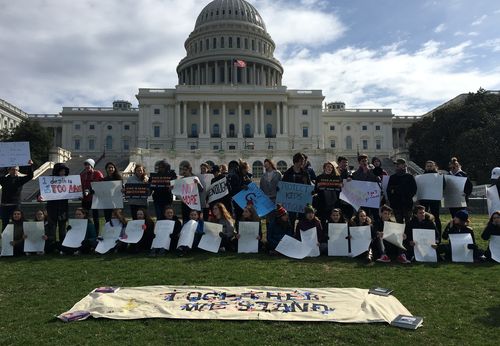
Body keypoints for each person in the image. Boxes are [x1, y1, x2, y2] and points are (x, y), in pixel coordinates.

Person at [41, 163, 70, 251]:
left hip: (63, 209)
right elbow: (42, 191)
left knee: (62, 230)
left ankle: (63, 246)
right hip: (52, 208)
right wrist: (39, 196)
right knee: (52, 230)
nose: (63, 173)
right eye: (61, 171)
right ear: (57, 171)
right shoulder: (49, 180)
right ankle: (51, 247)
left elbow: (73, 191)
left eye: (64, 171)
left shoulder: (68, 180)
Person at [0, 160, 33, 231]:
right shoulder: (3, 179)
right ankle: (5, 239)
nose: (14, 171)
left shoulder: (20, 180)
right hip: (4, 205)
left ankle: (17, 239)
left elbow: (30, 176)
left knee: (17, 223)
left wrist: (30, 166)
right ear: (9, 170)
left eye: (16, 169)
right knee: (5, 224)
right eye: (12, 169)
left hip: (15, 205)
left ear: (18, 171)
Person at [282, 152, 312, 226]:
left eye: (304, 161)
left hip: (302, 202)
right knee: (290, 221)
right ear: (296, 161)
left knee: (303, 220)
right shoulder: (288, 173)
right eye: (301, 161)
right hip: (291, 202)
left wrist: (311, 191)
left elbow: (308, 185)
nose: (303, 162)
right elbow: (283, 186)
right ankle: (291, 235)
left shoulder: (305, 173)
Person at [418, 160, 444, 237]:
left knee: (436, 217)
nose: (429, 167)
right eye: (428, 166)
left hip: (434, 199)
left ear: (434, 166)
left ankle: (438, 235)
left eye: (431, 166)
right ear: (425, 167)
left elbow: (443, 186)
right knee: (423, 216)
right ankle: (424, 234)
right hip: (424, 199)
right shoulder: (421, 176)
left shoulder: (439, 176)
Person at [351, 154, 381, 223]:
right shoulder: (356, 173)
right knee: (365, 215)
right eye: (362, 161)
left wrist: (370, 172)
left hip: (373, 197)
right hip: (363, 198)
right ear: (359, 162)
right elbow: (357, 184)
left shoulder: (373, 170)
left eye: (366, 161)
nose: (364, 162)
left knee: (376, 215)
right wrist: (364, 173)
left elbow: (378, 180)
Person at [387, 158, 417, 224]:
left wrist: (407, 196)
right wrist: (392, 200)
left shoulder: (410, 177)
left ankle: (408, 234)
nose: (396, 165)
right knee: (399, 224)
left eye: (398, 164)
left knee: (408, 223)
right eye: (396, 164)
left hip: (407, 204)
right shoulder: (392, 177)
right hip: (396, 204)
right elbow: (388, 190)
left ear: (404, 165)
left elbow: (414, 189)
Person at [80, 158, 104, 233]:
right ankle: (85, 232)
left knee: (95, 217)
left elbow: (100, 184)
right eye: (85, 165)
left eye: (88, 165)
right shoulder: (83, 175)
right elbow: (79, 186)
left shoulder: (97, 173)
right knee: (84, 216)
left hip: (94, 198)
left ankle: (96, 233)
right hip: (85, 199)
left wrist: (90, 190)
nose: (87, 166)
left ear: (92, 166)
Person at [336, 156, 355, 220]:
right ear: (338, 163)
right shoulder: (334, 173)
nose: (345, 164)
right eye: (343, 162)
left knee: (349, 216)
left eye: (346, 162)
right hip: (337, 199)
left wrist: (351, 178)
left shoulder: (350, 173)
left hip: (348, 200)